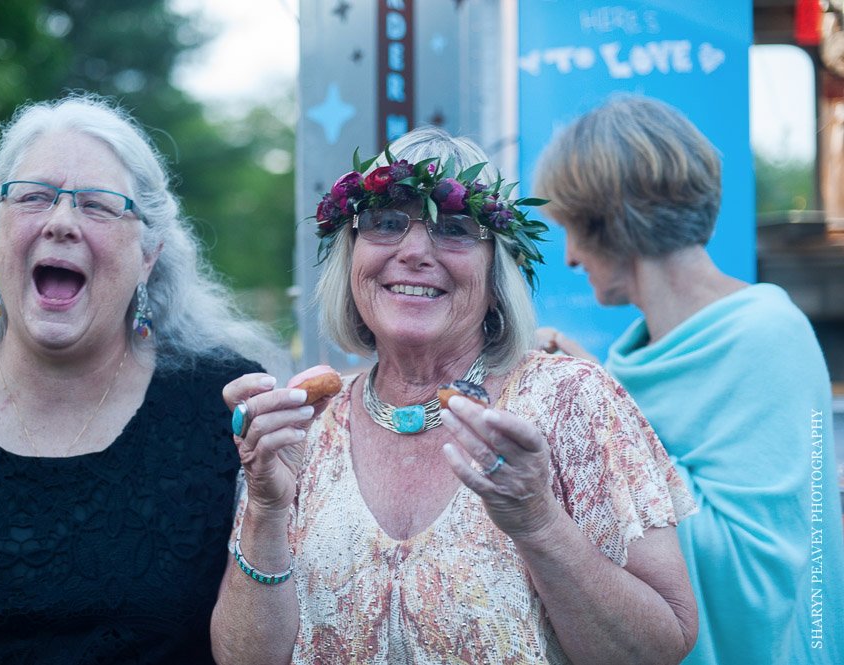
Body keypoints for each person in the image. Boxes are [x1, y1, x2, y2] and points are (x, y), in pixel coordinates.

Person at [211, 125, 699, 664]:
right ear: (350, 259)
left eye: (456, 229)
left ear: (497, 276)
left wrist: (538, 520)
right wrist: (265, 508)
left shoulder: (572, 401)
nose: (415, 251)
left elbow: (658, 650)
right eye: (386, 222)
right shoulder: (307, 427)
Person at [0, 94, 283, 664]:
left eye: (98, 206)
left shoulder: (226, 404)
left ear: (148, 252)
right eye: (33, 198)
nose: (60, 223)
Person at [532, 94, 844, 664]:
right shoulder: (634, 355)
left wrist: (603, 424)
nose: (571, 256)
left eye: (573, 228)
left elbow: (755, 574)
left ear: (613, 220)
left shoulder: (767, 336)